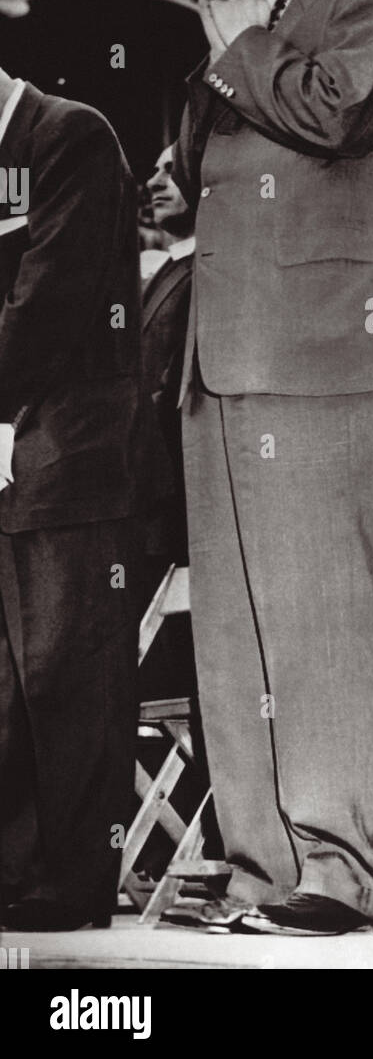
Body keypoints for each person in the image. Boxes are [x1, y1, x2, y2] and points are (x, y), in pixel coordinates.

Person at [160, 0, 373, 935]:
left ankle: (344, 869)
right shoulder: (239, 23)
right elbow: (200, 162)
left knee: (324, 621)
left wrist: (232, 44)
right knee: (237, 633)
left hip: (326, 350)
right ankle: (264, 865)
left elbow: (339, 110)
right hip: (221, 359)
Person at [0, 68, 143, 931]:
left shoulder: (73, 136)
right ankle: (16, 872)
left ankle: (73, 880)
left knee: (66, 668)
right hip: (13, 445)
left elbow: (48, 303)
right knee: (9, 684)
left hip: (69, 452)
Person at [138, 145, 196, 700]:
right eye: (154, 170)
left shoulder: (208, 273)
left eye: (170, 170)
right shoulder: (171, 270)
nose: (154, 180)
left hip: (175, 519)